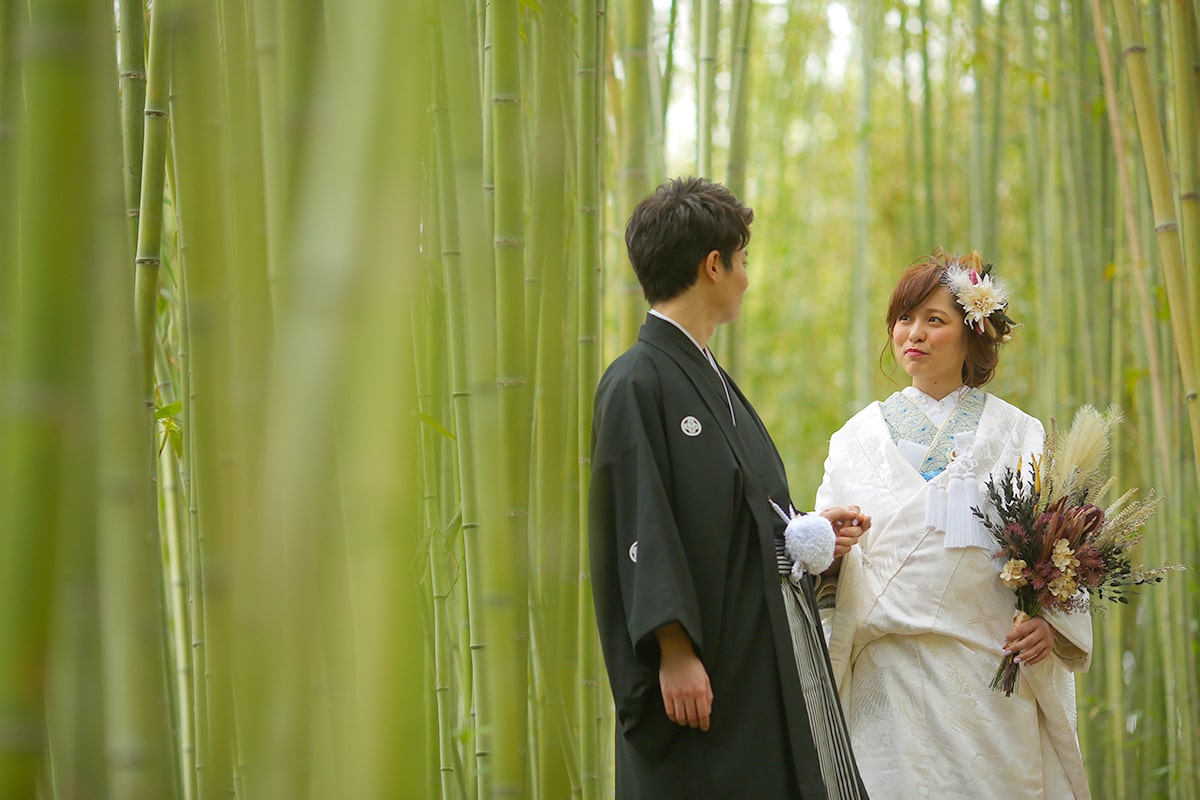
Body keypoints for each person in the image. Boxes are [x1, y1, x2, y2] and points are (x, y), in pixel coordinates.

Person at [588, 176, 870, 800]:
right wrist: (673, 648)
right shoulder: (637, 380)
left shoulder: (709, 375)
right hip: (703, 658)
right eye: (742, 261)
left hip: (750, 646)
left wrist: (808, 530)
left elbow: (736, 508)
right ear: (712, 266)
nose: (746, 276)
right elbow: (639, 522)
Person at [815, 248, 1093, 799]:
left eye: (934, 320)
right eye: (903, 319)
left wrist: (1049, 625)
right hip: (884, 678)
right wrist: (832, 542)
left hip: (987, 678)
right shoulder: (854, 441)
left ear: (973, 335)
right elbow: (818, 561)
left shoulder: (1019, 434)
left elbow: (1060, 551)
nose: (912, 333)